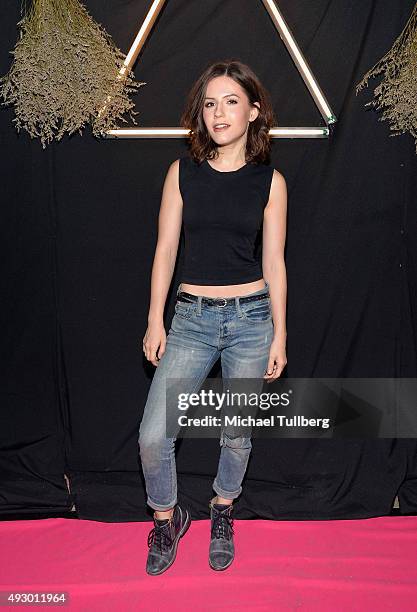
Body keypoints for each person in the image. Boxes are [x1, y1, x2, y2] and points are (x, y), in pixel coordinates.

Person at [139, 59, 287, 576]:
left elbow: (274, 263)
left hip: (251, 320)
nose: (218, 112)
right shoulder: (182, 173)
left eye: (230, 101)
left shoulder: (272, 182)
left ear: (254, 110)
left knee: (236, 433)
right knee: (153, 435)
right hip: (192, 321)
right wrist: (156, 319)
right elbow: (165, 249)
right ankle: (167, 516)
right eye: (209, 103)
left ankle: (223, 508)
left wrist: (280, 334)